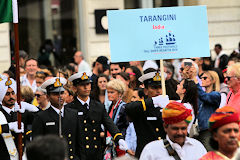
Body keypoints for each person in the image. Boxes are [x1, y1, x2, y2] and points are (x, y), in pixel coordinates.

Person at [67, 72, 128, 160]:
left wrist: (119, 138)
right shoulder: (69, 108)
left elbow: (109, 124)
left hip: (96, 153)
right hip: (78, 154)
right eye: (82, 85)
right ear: (75, 88)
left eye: (88, 84)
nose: (86, 87)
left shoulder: (98, 106)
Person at [32, 77, 81, 160]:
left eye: (62, 93)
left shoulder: (73, 114)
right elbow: (37, 144)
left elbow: (79, 141)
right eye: (55, 94)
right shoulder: (41, 117)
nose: (60, 96)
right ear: (48, 97)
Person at [140, 102, 207, 160]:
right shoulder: (151, 150)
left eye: (183, 128)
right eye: (175, 129)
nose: (180, 133)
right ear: (165, 127)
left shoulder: (198, 147)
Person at [125, 70, 169, 158]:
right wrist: (153, 101)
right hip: (146, 154)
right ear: (145, 91)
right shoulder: (142, 107)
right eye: (154, 88)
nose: (158, 91)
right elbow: (128, 108)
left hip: (164, 153)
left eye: (161, 87)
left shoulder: (168, 106)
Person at [0, 78, 38, 159]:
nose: (11, 97)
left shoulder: (22, 111)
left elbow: (40, 120)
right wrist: (7, 127)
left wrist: (34, 109)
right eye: (7, 94)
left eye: (13, 93)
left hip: (21, 154)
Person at [190, 70, 221, 151]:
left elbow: (204, 97)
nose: (202, 80)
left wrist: (196, 82)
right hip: (199, 130)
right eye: (201, 78)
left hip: (208, 131)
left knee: (209, 154)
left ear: (213, 80)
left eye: (205, 78)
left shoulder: (216, 94)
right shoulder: (202, 95)